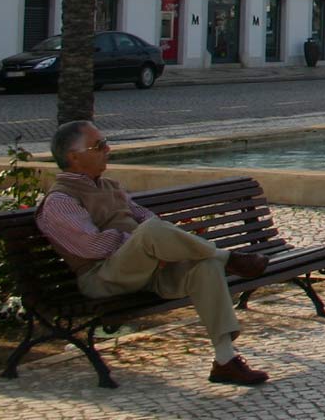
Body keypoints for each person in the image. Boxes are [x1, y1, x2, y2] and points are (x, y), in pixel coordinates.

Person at [35, 121, 272, 385]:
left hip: (143, 270)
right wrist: (143, 243)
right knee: (150, 233)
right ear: (74, 157)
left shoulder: (110, 186)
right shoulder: (60, 201)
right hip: (102, 277)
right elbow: (93, 246)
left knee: (205, 266)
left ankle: (225, 360)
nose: (108, 149)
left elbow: (146, 216)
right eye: (99, 145)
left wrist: (150, 246)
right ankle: (228, 258)